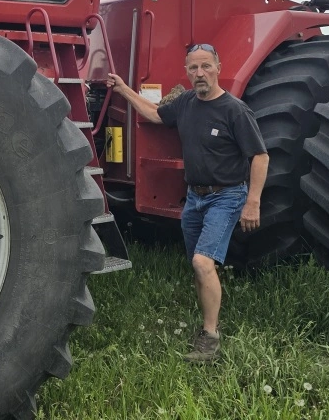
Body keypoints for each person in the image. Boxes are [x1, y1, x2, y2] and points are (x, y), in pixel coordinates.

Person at [106, 43, 268, 363]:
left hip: (227, 194)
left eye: (206, 66)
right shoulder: (185, 103)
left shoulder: (235, 110)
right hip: (195, 197)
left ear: (219, 67)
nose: (200, 73)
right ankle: (208, 320)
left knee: (202, 263)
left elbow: (260, 156)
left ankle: (210, 339)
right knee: (198, 263)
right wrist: (124, 90)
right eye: (193, 68)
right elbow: (154, 113)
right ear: (187, 72)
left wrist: (253, 202)